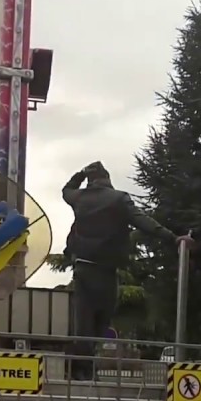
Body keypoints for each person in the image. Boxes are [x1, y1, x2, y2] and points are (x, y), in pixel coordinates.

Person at [61, 161, 186, 380]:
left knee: (84, 321)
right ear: (108, 180)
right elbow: (143, 221)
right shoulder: (119, 199)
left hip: (82, 267)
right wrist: (172, 237)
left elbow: (66, 190)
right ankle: (85, 365)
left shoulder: (79, 198)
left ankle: (80, 369)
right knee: (103, 319)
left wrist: (79, 174)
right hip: (107, 270)